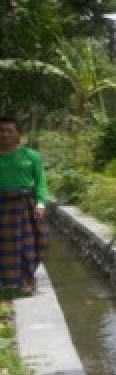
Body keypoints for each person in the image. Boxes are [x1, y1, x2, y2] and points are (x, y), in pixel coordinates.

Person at [0, 117, 49, 296]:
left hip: (26, 205)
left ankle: (28, 278)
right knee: (5, 245)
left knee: (33, 242)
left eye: (9, 131)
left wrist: (41, 203)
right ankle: (9, 281)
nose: (4, 134)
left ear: (17, 135)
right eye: (1, 131)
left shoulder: (31, 156)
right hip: (2, 206)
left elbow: (41, 182)